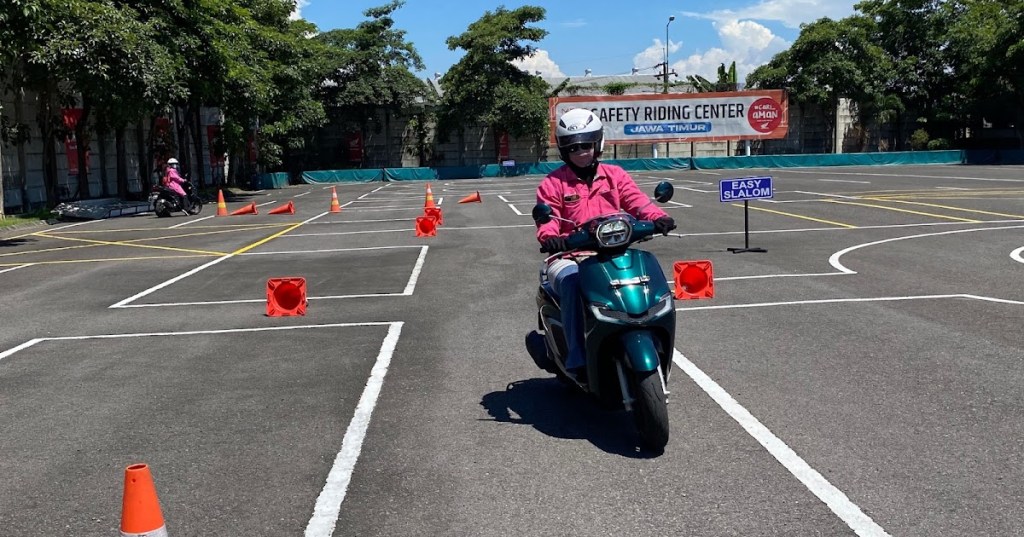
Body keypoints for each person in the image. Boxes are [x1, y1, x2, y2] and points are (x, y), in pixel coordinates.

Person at [535, 108, 676, 383]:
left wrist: (659, 218)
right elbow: (547, 219)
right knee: (573, 283)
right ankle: (577, 354)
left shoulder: (615, 175)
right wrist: (550, 236)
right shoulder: (553, 183)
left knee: (647, 266)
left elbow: (638, 202)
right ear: (564, 150)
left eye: (586, 145)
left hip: (614, 249)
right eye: (573, 147)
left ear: (597, 144)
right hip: (569, 256)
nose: (581, 152)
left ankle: (655, 334)